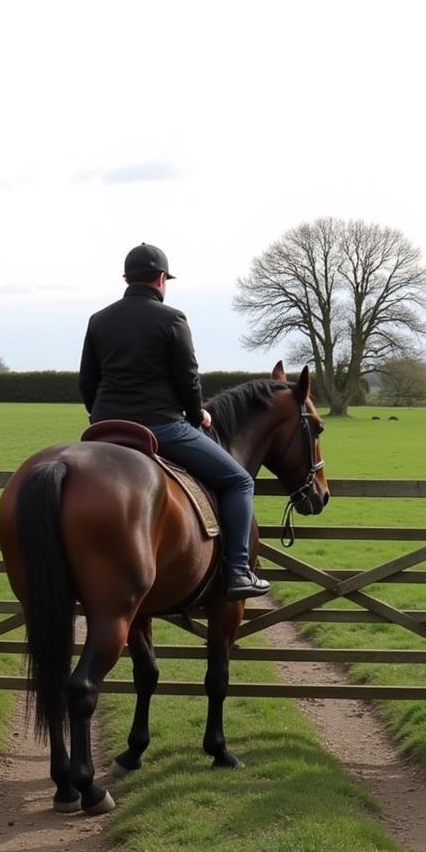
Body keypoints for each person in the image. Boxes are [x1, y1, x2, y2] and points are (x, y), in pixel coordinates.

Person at [78, 242, 270, 600]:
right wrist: (198, 415)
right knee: (239, 481)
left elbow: (87, 380)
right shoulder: (172, 319)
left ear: (126, 278)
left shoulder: (99, 320)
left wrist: (100, 417)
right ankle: (237, 571)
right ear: (161, 279)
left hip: (104, 427)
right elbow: (187, 379)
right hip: (162, 426)